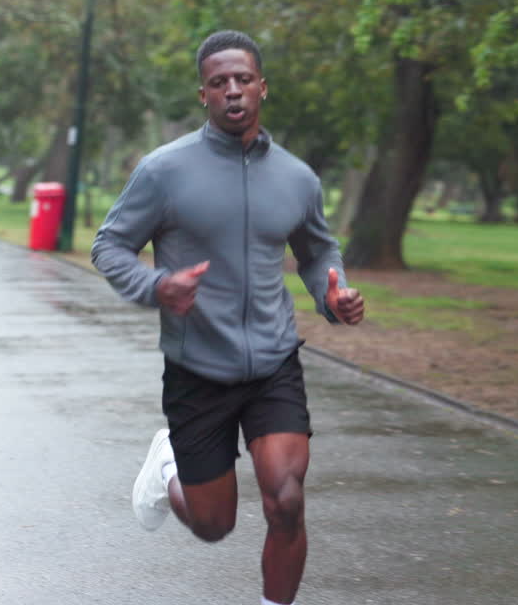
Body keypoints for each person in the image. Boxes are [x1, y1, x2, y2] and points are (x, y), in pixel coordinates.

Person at [91, 30, 366, 605]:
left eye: (243, 80)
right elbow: (110, 246)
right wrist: (156, 285)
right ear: (204, 95)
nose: (233, 91)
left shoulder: (296, 178)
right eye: (220, 83)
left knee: (287, 500)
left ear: (263, 87)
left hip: (273, 362)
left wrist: (331, 295)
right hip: (198, 367)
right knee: (214, 525)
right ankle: (168, 464)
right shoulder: (165, 171)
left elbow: (318, 254)